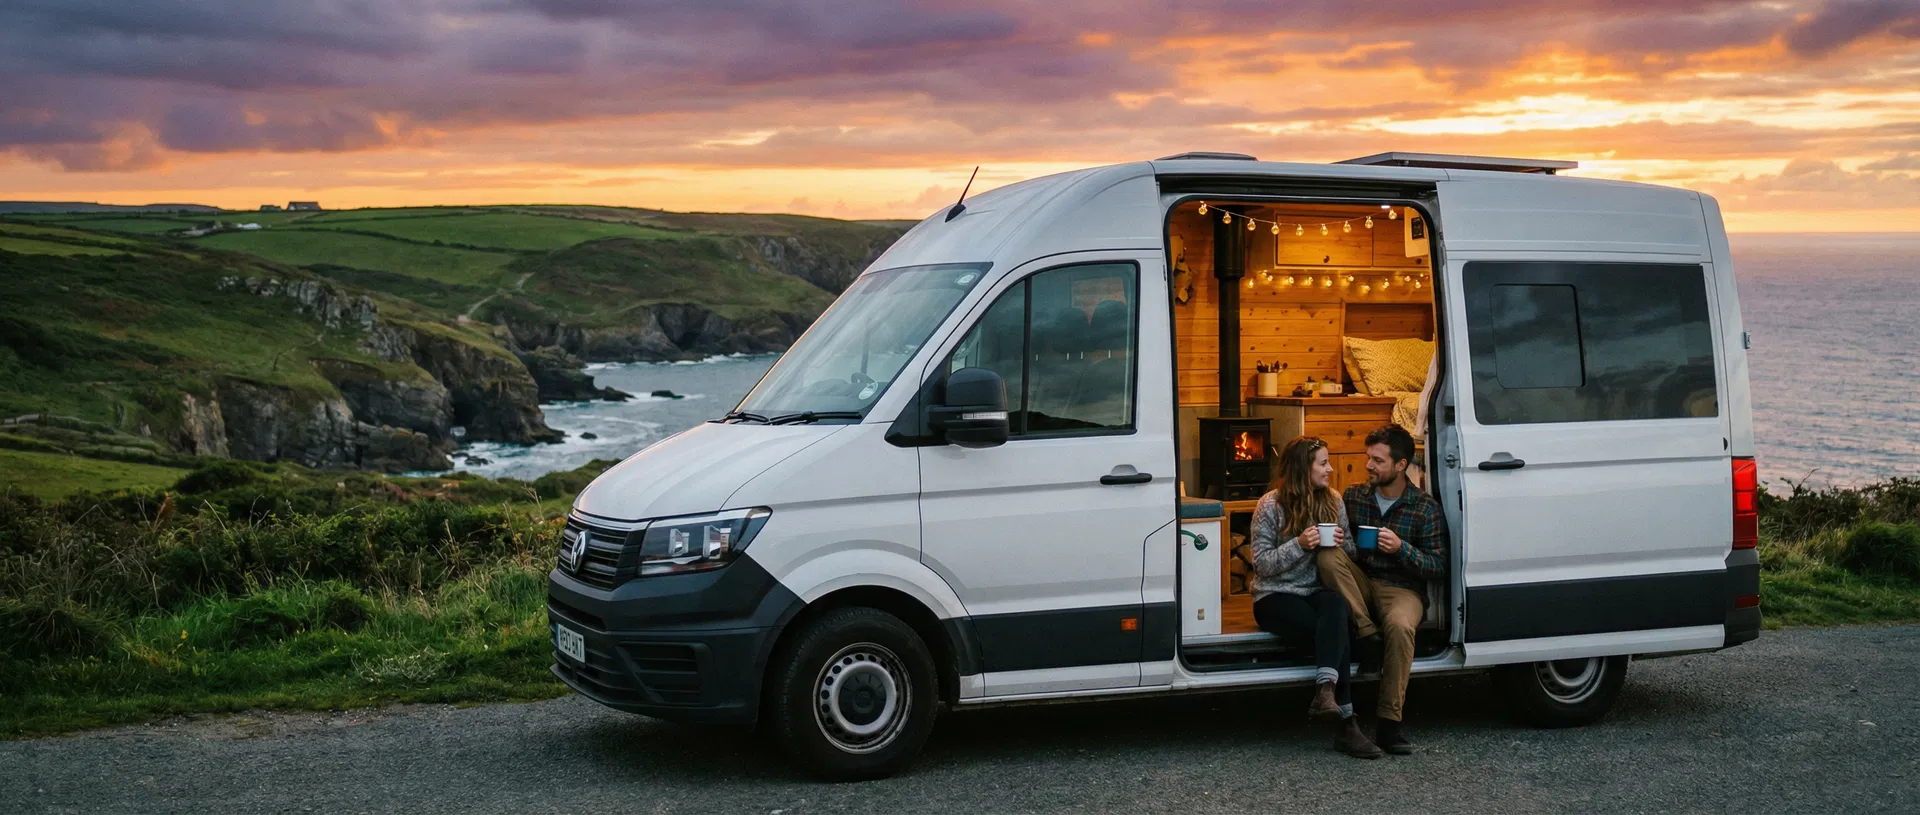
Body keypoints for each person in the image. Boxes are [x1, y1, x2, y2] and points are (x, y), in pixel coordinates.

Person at [1316, 424, 1449, 756]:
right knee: (1328, 556)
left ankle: (1389, 724)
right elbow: (1342, 550)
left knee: (1401, 627)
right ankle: (1367, 635)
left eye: (1377, 460)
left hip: (1402, 589)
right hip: (1361, 582)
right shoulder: (1353, 496)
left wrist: (1402, 549)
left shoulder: (1424, 507)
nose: (1369, 465)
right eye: (1368, 458)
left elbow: (1439, 566)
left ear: (1401, 465)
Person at [1248, 436, 1384, 759]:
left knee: (1335, 606)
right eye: (1323, 463)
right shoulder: (1270, 505)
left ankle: (1326, 692)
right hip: (1274, 596)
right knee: (1337, 631)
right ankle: (1347, 725)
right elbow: (1262, 564)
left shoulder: (1333, 499)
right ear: (1302, 468)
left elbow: (1350, 552)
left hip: (1315, 591)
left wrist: (1338, 543)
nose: (1330, 469)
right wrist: (1299, 544)